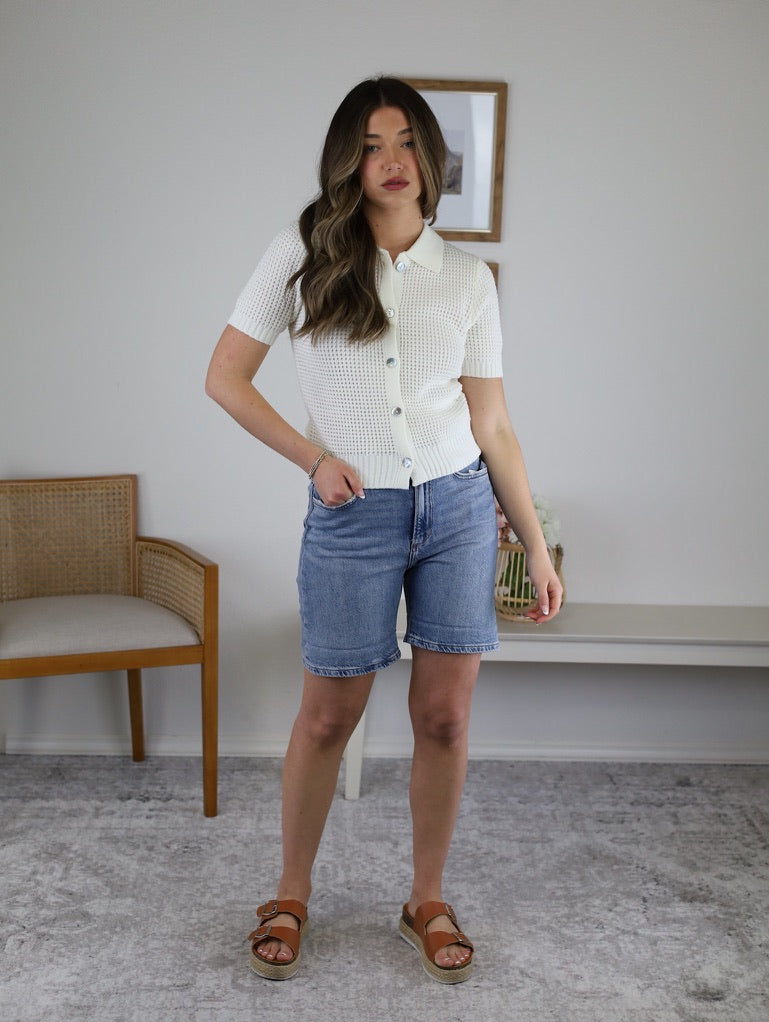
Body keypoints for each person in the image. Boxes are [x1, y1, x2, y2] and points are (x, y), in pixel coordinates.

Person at [205, 75, 562, 984]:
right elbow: (224, 377)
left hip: (458, 511)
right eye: (370, 145)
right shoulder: (302, 253)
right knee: (329, 716)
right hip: (352, 514)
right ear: (347, 161)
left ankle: (425, 898)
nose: (391, 161)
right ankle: (290, 892)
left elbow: (493, 426)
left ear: (430, 157)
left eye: (406, 142)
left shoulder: (466, 279)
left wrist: (530, 544)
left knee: (444, 716)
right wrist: (312, 459)